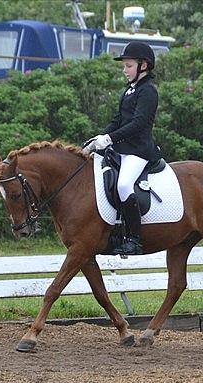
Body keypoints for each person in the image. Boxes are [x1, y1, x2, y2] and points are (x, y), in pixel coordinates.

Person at [83, 41, 162, 255]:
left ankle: (134, 239)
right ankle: (114, 230)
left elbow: (138, 124)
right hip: (122, 150)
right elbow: (118, 120)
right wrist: (99, 138)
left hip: (139, 151)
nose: (124, 70)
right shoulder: (129, 90)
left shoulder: (148, 92)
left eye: (128, 66)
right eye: (124, 66)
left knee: (124, 185)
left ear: (143, 66)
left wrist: (109, 139)